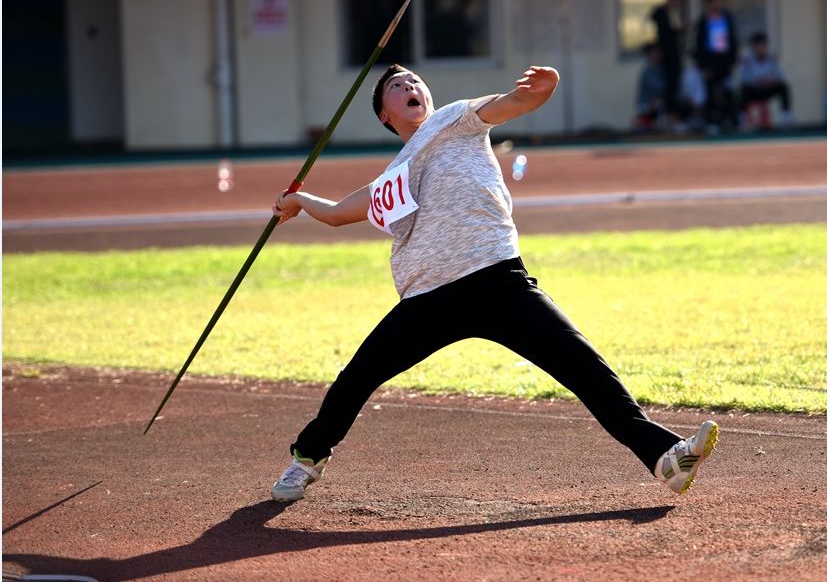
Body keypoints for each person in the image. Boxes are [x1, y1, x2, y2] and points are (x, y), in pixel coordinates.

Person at [269, 64, 719, 502]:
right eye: (396, 85)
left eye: (415, 80)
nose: (410, 85)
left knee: (584, 367)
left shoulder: (456, 118)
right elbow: (335, 214)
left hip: (498, 280)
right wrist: (300, 201)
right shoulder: (392, 177)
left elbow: (515, 102)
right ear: (385, 115)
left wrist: (544, 89)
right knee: (356, 377)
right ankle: (307, 458)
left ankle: (665, 456)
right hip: (428, 297)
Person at [692, 0, 739, 129]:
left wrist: (732, 61)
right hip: (710, 63)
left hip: (725, 62)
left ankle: (730, 120)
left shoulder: (727, 18)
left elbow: (733, 40)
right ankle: (711, 121)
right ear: (709, 3)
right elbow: (699, 45)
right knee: (710, 92)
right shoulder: (704, 21)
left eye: (719, 1)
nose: (718, 4)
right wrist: (703, 66)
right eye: (715, 1)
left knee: (728, 91)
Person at [738, 32, 793, 127]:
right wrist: (758, 82)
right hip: (754, 91)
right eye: (757, 47)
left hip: (767, 90)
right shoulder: (747, 60)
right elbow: (744, 79)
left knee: (783, 87)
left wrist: (770, 81)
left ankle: (786, 116)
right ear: (753, 48)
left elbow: (781, 77)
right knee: (743, 89)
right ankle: (744, 118)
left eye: (762, 46)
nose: (760, 50)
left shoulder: (772, 59)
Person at [650, 0, 687, 122]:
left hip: (674, 56)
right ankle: (667, 117)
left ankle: (673, 116)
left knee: (675, 87)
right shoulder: (662, 12)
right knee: (666, 87)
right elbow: (664, 33)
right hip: (666, 57)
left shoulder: (673, 13)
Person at [633, 43, 667, 131]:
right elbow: (660, 86)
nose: (657, 57)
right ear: (650, 56)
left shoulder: (661, 69)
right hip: (645, 107)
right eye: (654, 54)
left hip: (657, 108)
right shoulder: (647, 72)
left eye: (659, 54)